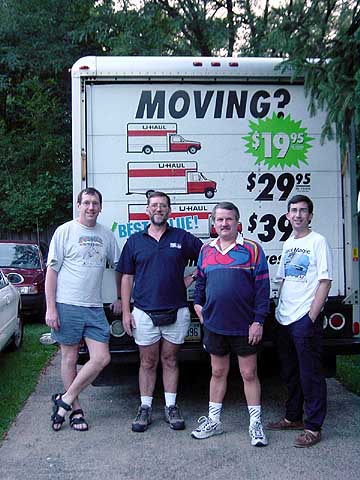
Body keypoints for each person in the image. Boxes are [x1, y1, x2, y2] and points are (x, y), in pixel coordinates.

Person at [117, 191, 202, 432]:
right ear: (147, 210)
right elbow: (126, 277)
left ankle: (171, 407)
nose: (158, 209)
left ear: (169, 211)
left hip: (176, 310)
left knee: (170, 359)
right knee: (147, 361)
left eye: (163, 206)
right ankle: (145, 408)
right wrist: (126, 311)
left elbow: (206, 257)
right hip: (143, 312)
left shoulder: (182, 238)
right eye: (154, 205)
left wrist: (191, 278)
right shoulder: (135, 241)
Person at [191, 202, 270, 447]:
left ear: (238, 223)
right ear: (213, 224)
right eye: (220, 220)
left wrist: (258, 321)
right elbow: (200, 282)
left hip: (245, 325)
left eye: (230, 219)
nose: (225, 224)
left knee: (249, 373)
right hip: (215, 324)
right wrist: (197, 304)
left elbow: (262, 288)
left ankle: (255, 424)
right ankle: (213, 421)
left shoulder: (253, 249)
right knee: (217, 372)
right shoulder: (206, 250)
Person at [45, 187, 121, 432]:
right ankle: (76, 410)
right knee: (69, 358)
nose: (91, 207)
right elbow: (52, 272)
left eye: (95, 203)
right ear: (78, 205)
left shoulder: (106, 235)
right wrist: (51, 308)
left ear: (100, 207)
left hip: (94, 306)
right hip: (67, 304)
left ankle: (64, 399)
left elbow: (118, 268)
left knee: (102, 358)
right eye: (86, 202)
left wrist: (119, 296)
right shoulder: (65, 231)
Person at [267, 194, 332, 448]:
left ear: (310, 215)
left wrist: (311, 316)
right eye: (293, 210)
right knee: (290, 373)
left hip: (304, 319)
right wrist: (277, 308)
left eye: (303, 210)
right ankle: (293, 417)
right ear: (287, 215)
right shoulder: (289, 243)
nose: (298, 214)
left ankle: (313, 427)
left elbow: (325, 281)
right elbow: (282, 278)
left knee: (311, 375)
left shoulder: (318, 242)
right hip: (284, 317)